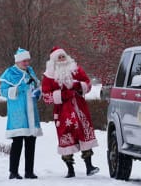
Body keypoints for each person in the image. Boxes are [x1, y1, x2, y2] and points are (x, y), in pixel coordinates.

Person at [41, 47, 99, 178]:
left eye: (63, 57)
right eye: (58, 57)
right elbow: (46, 96)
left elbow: (87, 83)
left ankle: (89, 166)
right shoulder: (49, 76)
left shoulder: (76, 69)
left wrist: (79, 86)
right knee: (65, 136)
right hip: (62, 111)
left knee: (84, 133)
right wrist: (62, 95)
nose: (62, 59)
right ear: (54, 61)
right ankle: (70, 169)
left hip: (79, 108)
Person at [0, 48, 43, 180]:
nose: (26, 63)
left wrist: (38, 92)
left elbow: (36, 86)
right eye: (24, 60)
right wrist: (18, 89)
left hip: (31, 112)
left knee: (31, 142)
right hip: (18, 112)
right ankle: (13, 172)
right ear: (18, 61)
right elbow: (3, 91)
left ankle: (29, 171)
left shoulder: (31, 71)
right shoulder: (10, 72)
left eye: (28, 60)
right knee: (17, 143)